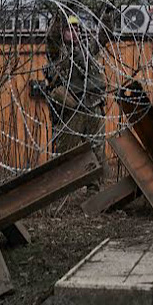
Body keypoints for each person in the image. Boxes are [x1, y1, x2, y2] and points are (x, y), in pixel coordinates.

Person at [44, 14, 109, 192]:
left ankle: (94, 187)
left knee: (97, 146)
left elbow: (104, 37)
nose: (73, 32)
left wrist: (108, 15)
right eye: (69, 29)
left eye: (76, 29)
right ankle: (63, 189)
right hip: (71, 107)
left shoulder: (87, 48)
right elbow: (52, 37)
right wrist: (60, 15)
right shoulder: (57, 51)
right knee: (66, 150)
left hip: (92, 103)